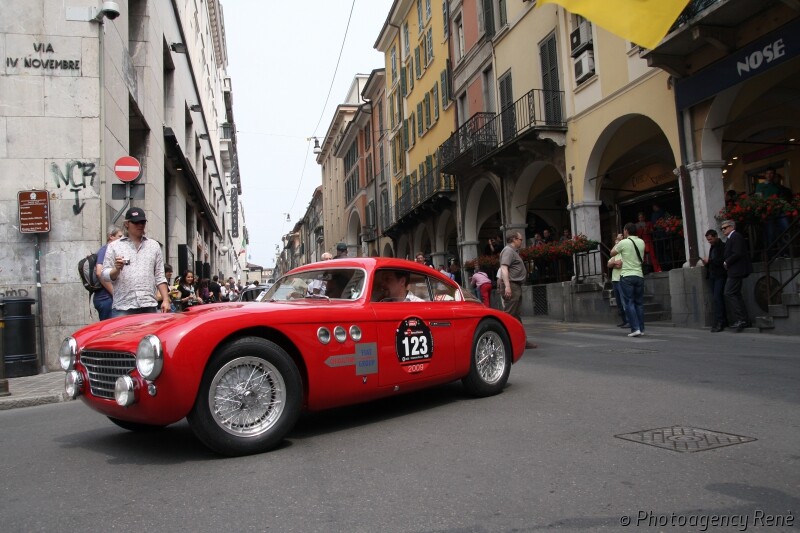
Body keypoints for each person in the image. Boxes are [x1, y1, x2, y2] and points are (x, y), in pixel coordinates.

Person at [102, 207, 170, 317]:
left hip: (148, 304)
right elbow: (105, 275)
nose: (140, 225)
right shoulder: (114, 246)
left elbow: (160, 276)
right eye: (136, 222)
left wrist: (166, 300)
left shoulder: (153, 246)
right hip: (123, 306)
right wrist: (116, 269)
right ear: (127, 224)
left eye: (142, 222)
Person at [499, 231, 537, 348]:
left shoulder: (513, 251)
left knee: (515, 316)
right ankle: (502, 342)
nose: (521, 241)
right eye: (520, 239)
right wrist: (508, 286)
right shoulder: (508, 251)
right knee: (509, 315)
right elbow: (504, 268)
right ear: (514, 239)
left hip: (515, 285)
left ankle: (521, 341)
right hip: (512, 285)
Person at [611, 222, 645, 337]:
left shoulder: (624, 242)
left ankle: (635, 328)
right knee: (639, 303)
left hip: (627, 275)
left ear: (626, 231)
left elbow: (612, 253)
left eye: (624, 230)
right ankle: (641, 328)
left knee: (629, 302)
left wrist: (618, 241)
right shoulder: (641, 242)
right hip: (639, 275)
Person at [721, 219, 753, 332]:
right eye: (722, 228)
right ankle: (743, 319)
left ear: (732, 227)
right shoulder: (731, 238)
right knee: (735, 293)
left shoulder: (736, 236)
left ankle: (742, 319)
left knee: (729, 292)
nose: (723, 230)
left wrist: (727, 262)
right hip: (734, 270)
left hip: (737, 270)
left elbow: (737, 253)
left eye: (725, 228)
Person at [755, 169, 790, 258]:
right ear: (765, 175)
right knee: (770, 234)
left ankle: (784, 252)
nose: (769, 175)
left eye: (771, 173)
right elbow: (758, 199)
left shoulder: (777, 186)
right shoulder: (760, 186)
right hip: (768, 213)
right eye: (768, 173)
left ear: (774, 175)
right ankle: (771, 255)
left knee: (785, 229)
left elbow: (783, 196)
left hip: (779, 211)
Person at [93, 226, 123, 320]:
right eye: (119, 236)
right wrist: (114, 294)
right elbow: (99, 272)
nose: (122, 239)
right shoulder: (105, 249)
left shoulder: (111, 250)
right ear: (111, 236)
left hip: (108, 299)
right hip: (105, 299)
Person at [702, 229, 727, 332]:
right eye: (708, 240)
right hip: (713, 275)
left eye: (710, 239)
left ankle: (720, 321)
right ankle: (720, 320)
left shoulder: (722, 246)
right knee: (716, 298)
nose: (709, 241)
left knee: (717, 297)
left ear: (716, 236)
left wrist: (710, 261)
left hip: (720, 275)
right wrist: (707, 263)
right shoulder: (712, 247)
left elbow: (721, 261)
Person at [607, 234, 628, 328]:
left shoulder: (624, 254)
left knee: (624, 302)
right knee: (619, 302)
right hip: (615, 280)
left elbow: (619, 265)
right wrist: (614, 263)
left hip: (621, 279)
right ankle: (624, 320)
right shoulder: (616, 254)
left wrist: (613, 264)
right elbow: (608, 264)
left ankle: (629, 320)